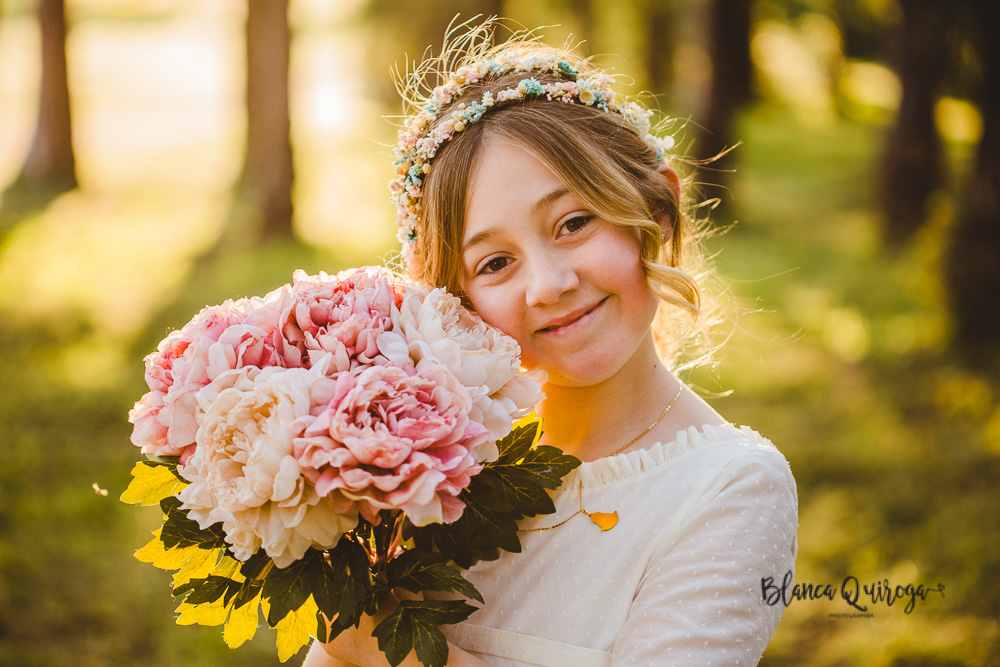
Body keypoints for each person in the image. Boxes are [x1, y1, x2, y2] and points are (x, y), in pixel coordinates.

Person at [305, 22, 797, 667]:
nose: (550, 285)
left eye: (573, 222)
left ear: (657, 212)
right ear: (453, 299)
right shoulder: (419, 478)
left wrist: (386, 651)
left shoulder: (729, 490)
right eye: (494, 263)